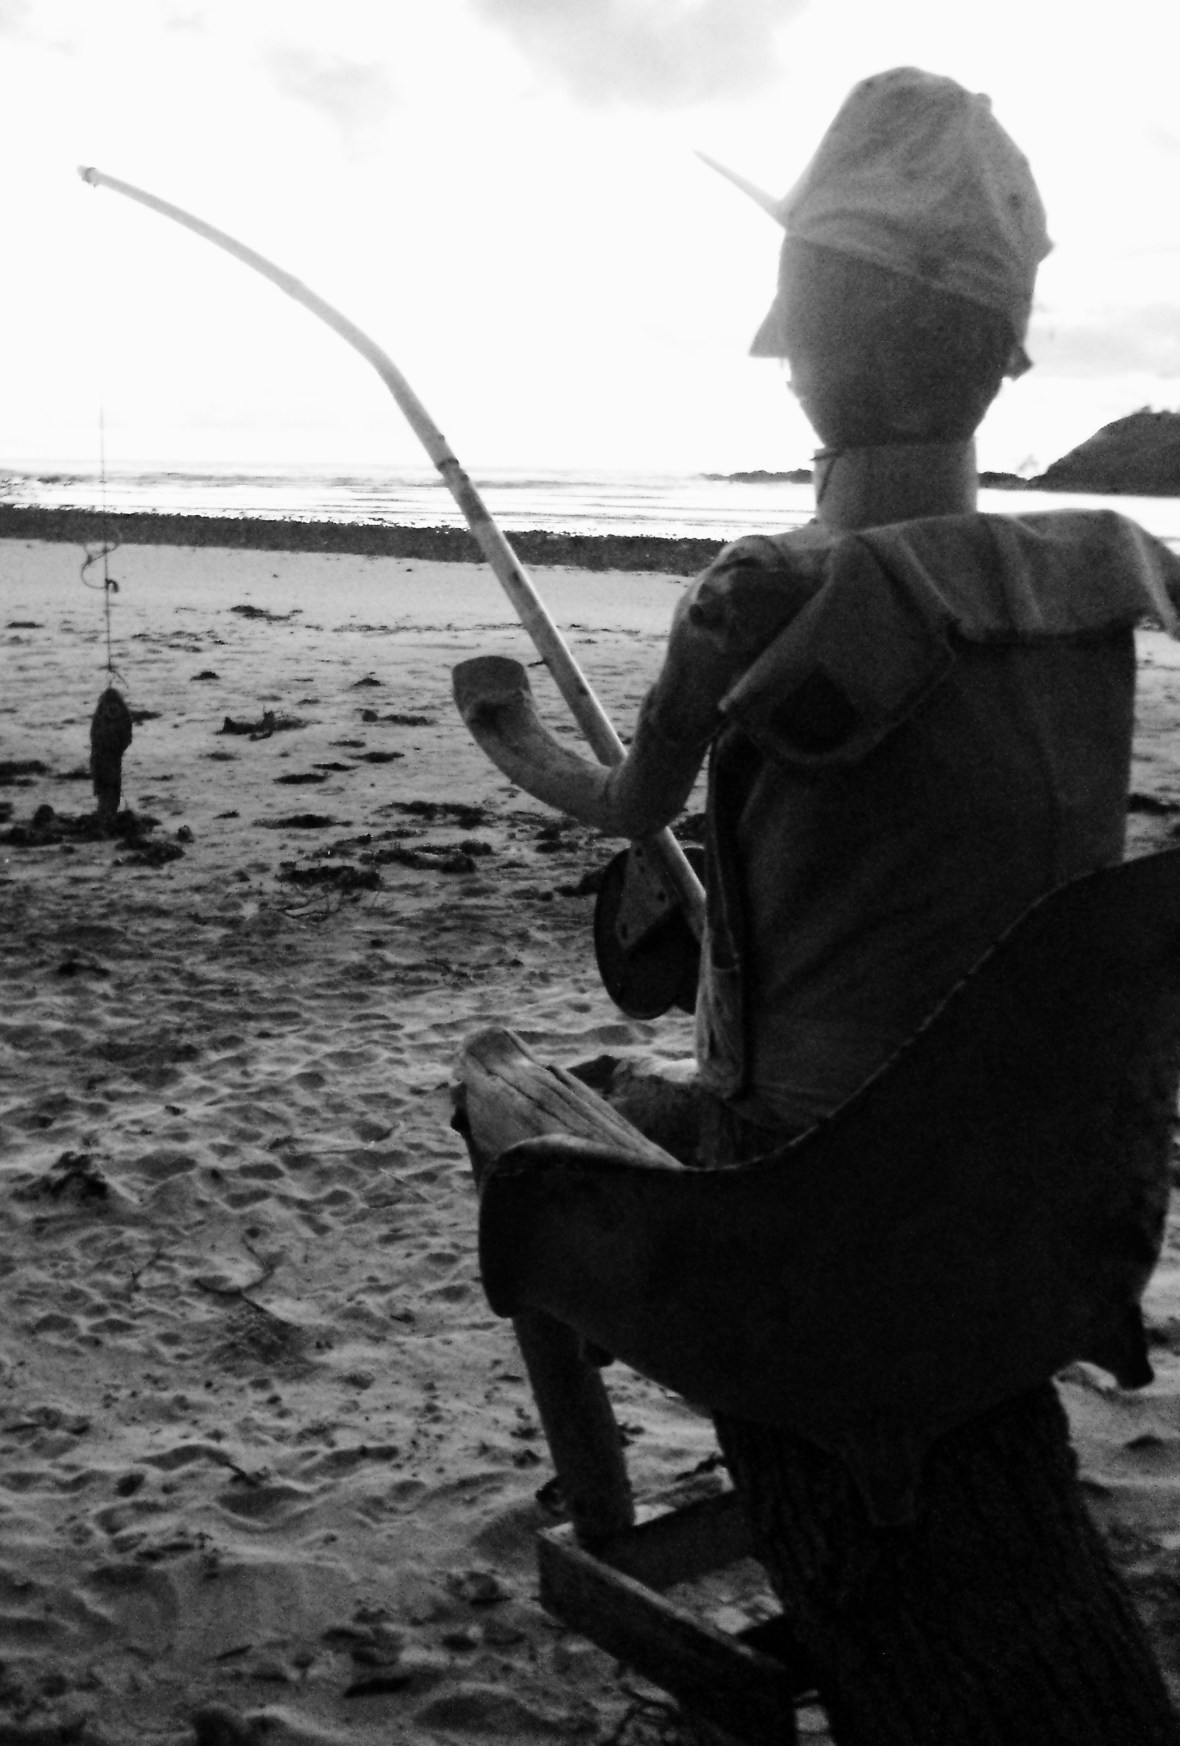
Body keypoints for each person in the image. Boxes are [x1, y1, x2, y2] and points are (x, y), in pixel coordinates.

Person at [458, 68, 1180, 1742]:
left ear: (808, 328)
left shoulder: (774, 595)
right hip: (1048, 1202)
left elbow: (620, 803)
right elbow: (919, 852)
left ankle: (608, 1504)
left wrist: (504, 732)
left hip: (822, 1231)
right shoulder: (1096, 579)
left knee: (501, 1079)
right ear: (1006, 352)